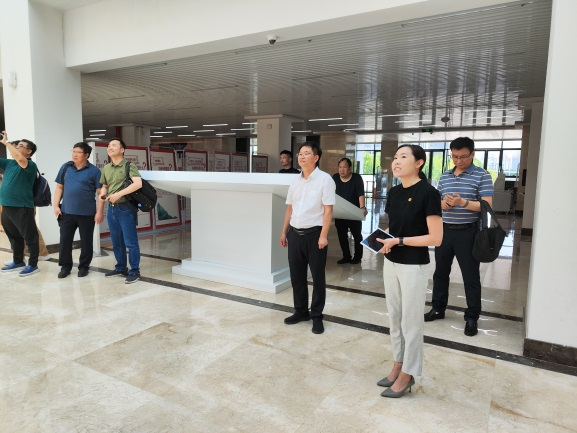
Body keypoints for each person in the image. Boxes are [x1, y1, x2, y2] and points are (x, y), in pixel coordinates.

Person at [376, 144, 442, 398]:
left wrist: (400, 241)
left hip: (414, 265)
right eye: (395, 157)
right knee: (394, 317)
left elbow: (435, 237)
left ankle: (409, 373)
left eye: (403, 157)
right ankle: (398, 363)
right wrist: (383, 240)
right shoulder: (394, 192)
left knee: (411, 322)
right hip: (391, 261)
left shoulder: (428, 193)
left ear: (419, 162)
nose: (396, 161)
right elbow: (395, 228)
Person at [424, 137, 494, 337]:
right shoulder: (445, 176)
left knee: (470, 276)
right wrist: (443, 204)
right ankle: (438, 308)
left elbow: (486, 205)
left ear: (472, 154)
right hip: (444, 231)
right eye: (454, 157)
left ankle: (472, 316)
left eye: (463, 156)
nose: (459, 161)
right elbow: (437, 200)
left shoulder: (482, 175)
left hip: (468, 232)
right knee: (440, 272)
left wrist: (462, 202)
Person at [280, 142, 335, 334]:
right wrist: (284, 231)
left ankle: (317, 315)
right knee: (297, 276)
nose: (301, 156)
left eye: (306, 153)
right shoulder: (295, 180)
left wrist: (323, 236)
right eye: (300, 153)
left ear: (316, 157)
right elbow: (290, 208)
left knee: (318, 277)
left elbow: (328, 211)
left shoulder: (325, 180)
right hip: (295, 234)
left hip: (315, 235)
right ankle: (301, 311)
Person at [53, 142, 104, 278]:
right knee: (65, 240)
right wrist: (56, 206)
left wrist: (99, 211)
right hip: (67, 212)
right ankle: (65, 267)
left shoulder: (94, 171)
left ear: (86, 155)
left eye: (78, 152)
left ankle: (84, 267)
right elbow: (59, 187)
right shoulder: (66, 167)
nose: (74, 154)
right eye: (73, 151)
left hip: (87, 213)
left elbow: (100, 193)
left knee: (86, 241)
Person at [99, 138, 142, 284]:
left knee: (130, 242)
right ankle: (121, 267)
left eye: (114, 145)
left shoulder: (129, 165)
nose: (110, 147)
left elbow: (138, 184)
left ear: (122, 150)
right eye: (108, 145)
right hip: (111, 209)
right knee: (116, 241)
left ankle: (134, 271)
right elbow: (105, 185)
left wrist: (118, 194)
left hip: (125, 209)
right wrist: (102, 194)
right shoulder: (107, 168)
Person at [0, 132, 41, 277]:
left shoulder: (29, 165)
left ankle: (33, 265)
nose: (17, 147)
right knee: (13, 236)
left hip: (22, 207)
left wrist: (6, 143)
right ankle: (18, 261)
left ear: (29, 151)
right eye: (17, 145)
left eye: (21, 146)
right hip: (6, 206)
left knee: (30, 237)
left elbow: (19, 158)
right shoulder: (10, 163)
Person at [332, 157, 367, 264]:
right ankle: (346, 256)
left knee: (357, 235)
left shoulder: (356, 178)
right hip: (340, 212)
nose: (342, 170)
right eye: (340, 167)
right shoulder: (335, 177)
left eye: (344, 167)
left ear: (350, 168)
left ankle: (357, 257)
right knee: (342, 236)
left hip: (353, 212)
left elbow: (360, 194)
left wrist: (362, 208)